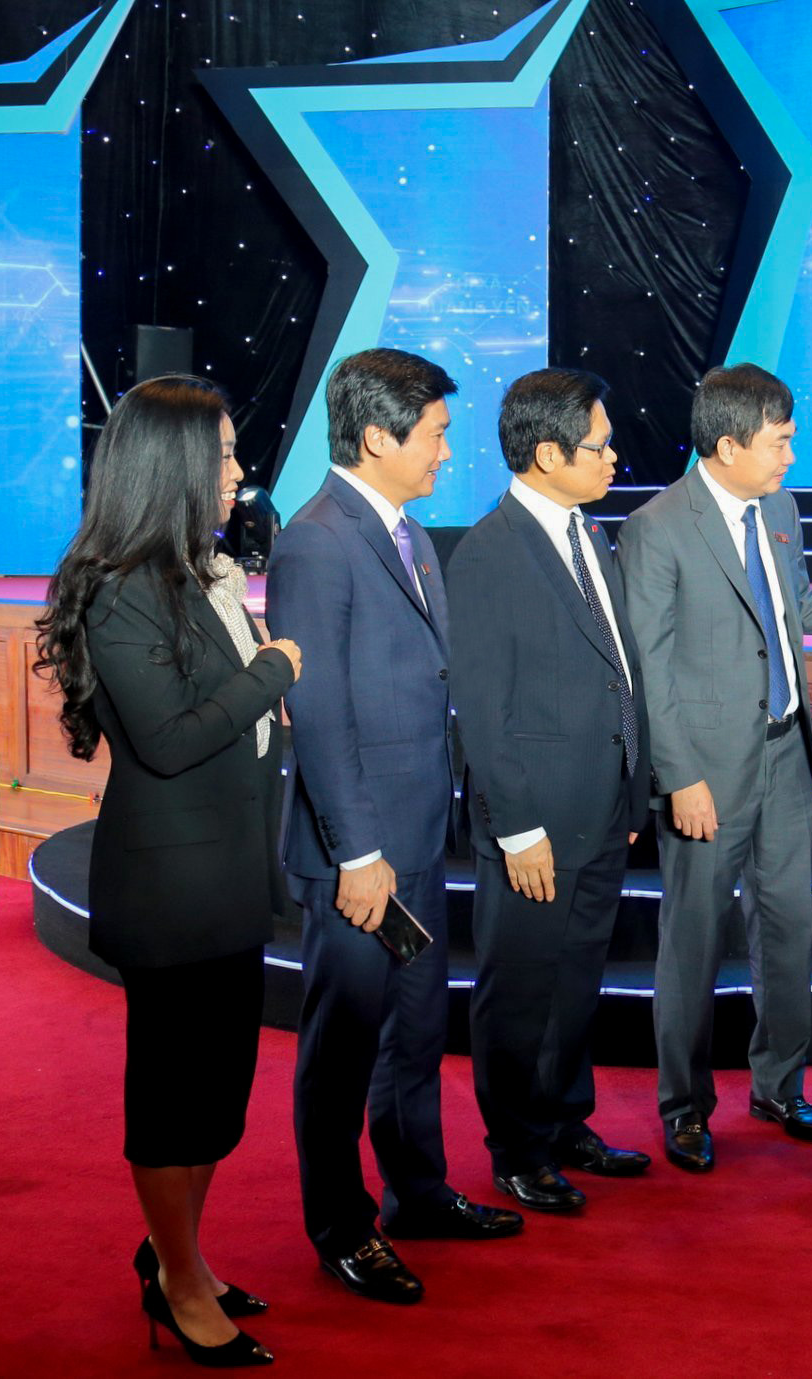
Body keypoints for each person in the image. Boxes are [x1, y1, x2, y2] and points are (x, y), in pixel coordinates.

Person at [37, 375, 296, 1366]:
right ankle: (179, 1284)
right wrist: (273, 671)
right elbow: (173, 739)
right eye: (222, 455)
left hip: (229, 870)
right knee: (173, 1100)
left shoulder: (202, 572)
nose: (237, 471)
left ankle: (179, 1255)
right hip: (171, 888)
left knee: (218, 1096)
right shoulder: (120, 588)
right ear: (172, 466)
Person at [269, 348, 521, 1306]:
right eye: (437, 434)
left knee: (414, 1034)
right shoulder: (316, 541)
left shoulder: (405, 532)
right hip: (360, 854)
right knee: (342, 1047)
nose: (447, 452)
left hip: (415, 838)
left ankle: (418, 1191)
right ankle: (341, 1227)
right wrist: (359, 852)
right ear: (378, 436)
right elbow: (319, 709)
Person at [617, 363, 812, 1171]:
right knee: (694, 943)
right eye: (781, 442)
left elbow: (796, 609)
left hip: (784, 758)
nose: (791, 457)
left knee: (788, 930)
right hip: (705, 774)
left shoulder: (779, 508)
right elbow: (649, 668)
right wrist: (679, 776)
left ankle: (779, 1085)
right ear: (730, 444)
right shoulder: (657, 528)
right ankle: (684, 1106)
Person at [448, 368, 654, 1212]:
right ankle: (517, 1147)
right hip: (534, 821)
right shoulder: (487, 552)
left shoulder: (588, 532)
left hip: (602, 808)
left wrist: (632, 787)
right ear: (546, 454)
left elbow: (616, 668)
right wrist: (517, 825)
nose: (613, 458)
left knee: (575, 981)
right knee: (521, 987)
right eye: (598, 446)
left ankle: (566, 1120)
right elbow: (482, 708)